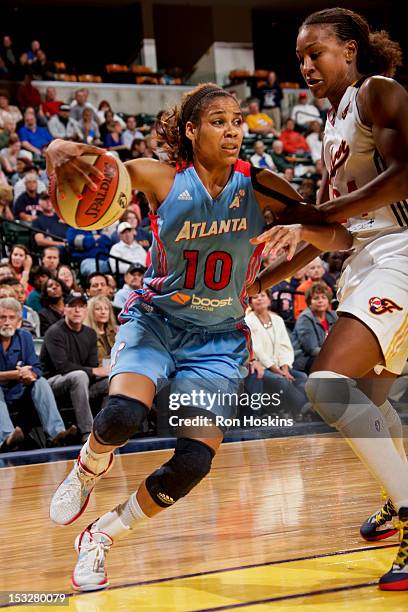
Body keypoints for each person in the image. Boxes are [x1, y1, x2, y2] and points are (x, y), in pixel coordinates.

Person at [45, 82, 330, 591]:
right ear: (192, 130)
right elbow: (107, 171)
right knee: (121, 416)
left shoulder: (263, 185)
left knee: (194, 462)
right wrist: (57, 149)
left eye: (238, 120)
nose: (233, 130)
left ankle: (102, 536)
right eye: (218, 121)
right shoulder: (161, 177)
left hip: (219, 340)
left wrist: (280, 262)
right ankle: (88, 468)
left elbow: (332, 233)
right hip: (156, 320)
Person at [250, 7, 408, 590]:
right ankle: (399, 498)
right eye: (299, 59)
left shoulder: (378, 92)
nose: (306, 66)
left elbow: (405, 175)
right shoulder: (331, 125)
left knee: (327, 387)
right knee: (374, 397)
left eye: (314, 53)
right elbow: (330, 233)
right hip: (366, 259)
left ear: (349, 49)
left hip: (402, 252)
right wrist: (262, 281)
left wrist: (317, 214)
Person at [0, 297, 76, 450]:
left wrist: (31, 375)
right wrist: (16, 374)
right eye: (2, 317)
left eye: (11, 317)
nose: (7, 322)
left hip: (20, 392)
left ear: (19, 321)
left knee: (40, 381)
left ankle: (56, 433)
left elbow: (36, 367)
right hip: (1, 393)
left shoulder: (25, 337)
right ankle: (6, 438)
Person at [41, 293, 109, 444]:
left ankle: (103, 429)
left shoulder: (90, 333)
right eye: (72, 306)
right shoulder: (54, 332)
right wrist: (93, 371)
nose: (77, 310)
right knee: (79, 376)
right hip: (53, 384)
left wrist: (97, 371)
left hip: (81, 385)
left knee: (110, 381)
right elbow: (62, 367)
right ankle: (87, 432)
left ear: (86, 311)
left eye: (81, 307)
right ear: (64, 309)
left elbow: (91, 365)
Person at [245, 291, 308, 418]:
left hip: (280, 366)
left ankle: (295, 413)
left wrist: (285, 367)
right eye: (255, 297)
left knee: (302, 377)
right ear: (250, 303)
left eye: (262, 296)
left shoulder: (277, 319)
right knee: (281, 380)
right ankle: (303, 407)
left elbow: (285, 346)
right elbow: (256, 349)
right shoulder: (248, 321)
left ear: (269, 300)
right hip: (261, 366)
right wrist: (276, 370)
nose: (259, 299)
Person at [292, 282, 337, 373]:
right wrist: (335, 355)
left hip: (325, 356)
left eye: (323, 297)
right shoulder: (305, 319)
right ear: (309, 302)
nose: (320, 301)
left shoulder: (332, 316)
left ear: (328, 301)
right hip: (304, 361)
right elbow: (312, 350)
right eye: (316, 298)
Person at [84, 296, 117, 366]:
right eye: (98, 309)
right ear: (90, 312)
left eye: (106, 309)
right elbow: (92, 363)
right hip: (100, 373)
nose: (103, 312)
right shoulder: (86, 335)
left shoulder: (114, 332)